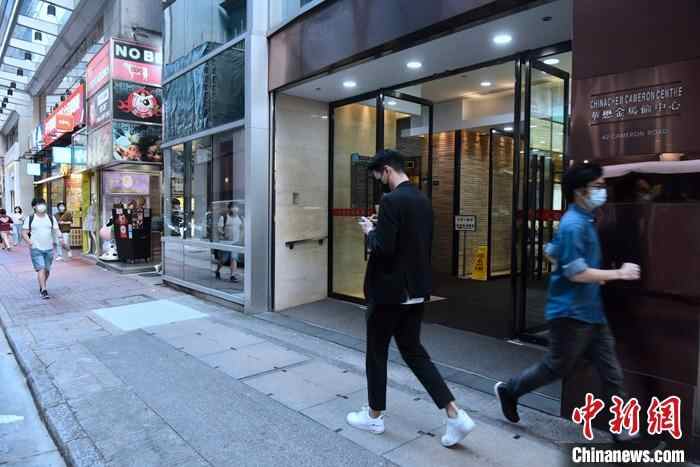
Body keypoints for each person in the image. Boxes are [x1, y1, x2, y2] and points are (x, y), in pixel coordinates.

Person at [494, 162, 641, 442]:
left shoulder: (584, 219)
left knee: (611, 372)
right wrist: (618, 273)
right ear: (579, 191)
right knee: (556, 367)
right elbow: (576, 273)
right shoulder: (574, 224)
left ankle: (620, 427)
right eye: (597, 186)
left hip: (591, 312)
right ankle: (510, 391)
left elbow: (552, 251)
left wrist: (566, 260)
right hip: (570, 315)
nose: (603, 191)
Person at [346, 149, 475, 448]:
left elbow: (384, 248)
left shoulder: (391, 201)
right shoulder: (422, 200)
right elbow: (412, 244)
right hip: (415, 291)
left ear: (387, 170)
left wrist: (370, 231)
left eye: (379, 177)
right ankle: (455, 414)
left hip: (389, 293)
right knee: (414, 352)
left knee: (376, 353)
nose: (380, 182)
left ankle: (374, 416)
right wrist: (382, 227)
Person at [22, 198, 61, 299]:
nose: (42, 206)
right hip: (36, 249)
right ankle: (44, 290)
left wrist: (60, 237)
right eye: (39, 204)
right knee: (41, 268)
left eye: (43, 204)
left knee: (47, 270)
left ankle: (42, 284)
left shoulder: (51, 218)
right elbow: (24, 233)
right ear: (34, 207)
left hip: (49, 249)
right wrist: (30, 242)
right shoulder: (30, 218)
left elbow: (56, 230)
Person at [215, 203, 243, 282]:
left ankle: (232, 275)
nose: (235, 209)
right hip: (226, 242)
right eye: (233, 208)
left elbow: (242, 228)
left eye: (236, 208)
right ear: (229, 209)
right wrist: (223, 234)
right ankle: (217, 270)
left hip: (235, 242)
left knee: (234, 258)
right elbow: (219, 228)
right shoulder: (224, 217)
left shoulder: (240, 218)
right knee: (223, 259)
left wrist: (240, 238)